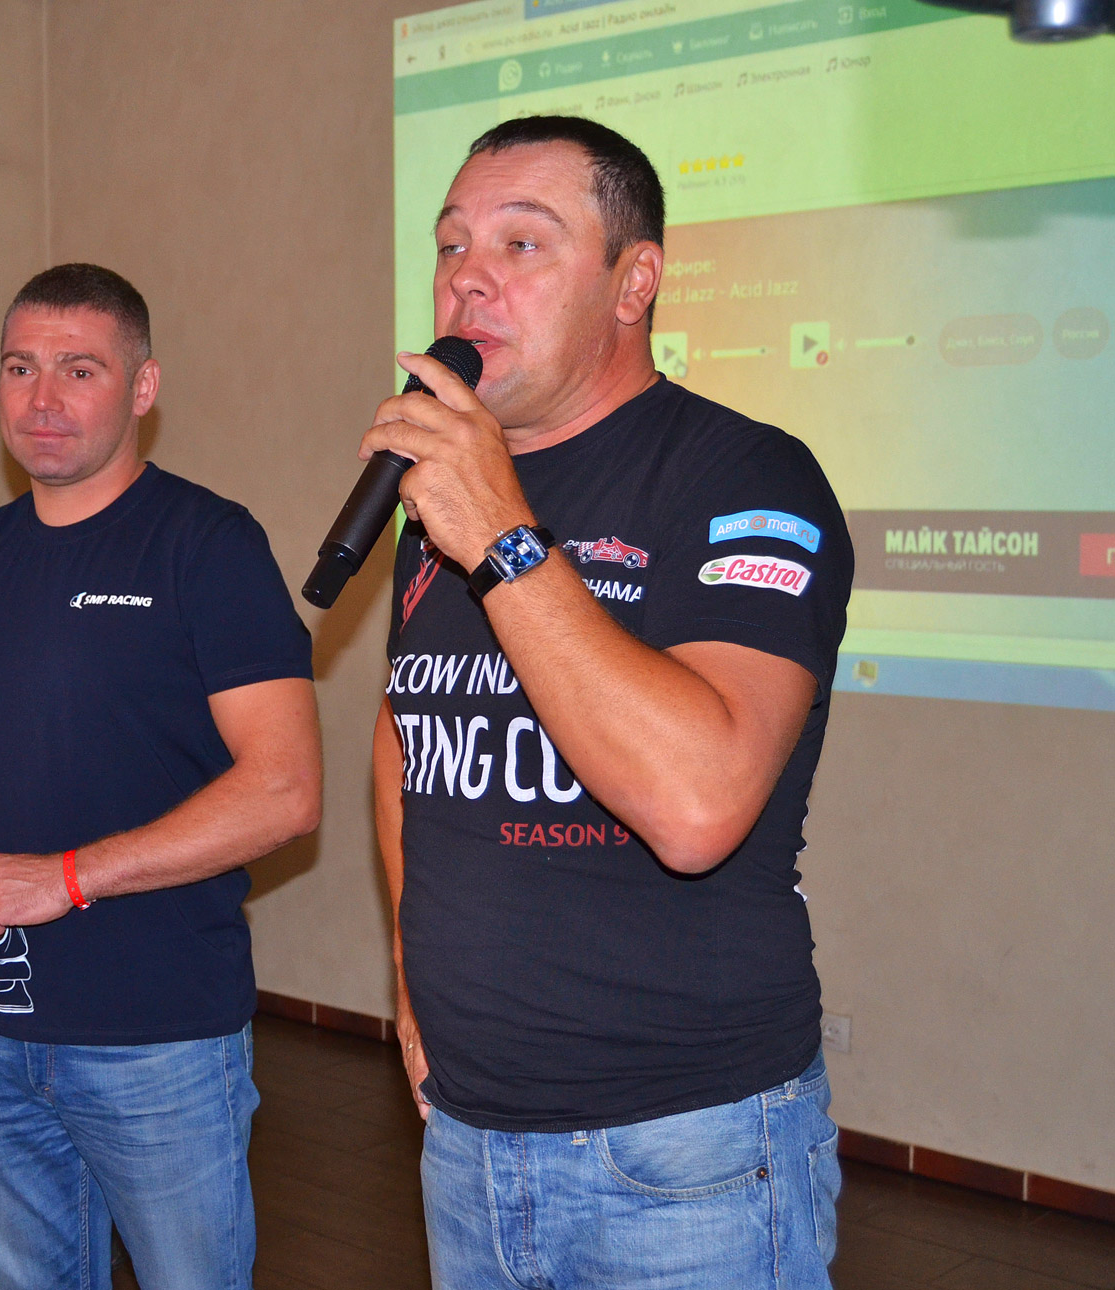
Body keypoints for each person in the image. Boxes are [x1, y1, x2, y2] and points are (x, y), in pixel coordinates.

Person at [364, 115, 853, 1288]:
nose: (468, 276)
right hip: (468, 1141)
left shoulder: (745, 476)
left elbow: (696, 806)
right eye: (451, 244)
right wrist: (410, 974)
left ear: (635, 283)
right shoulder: (445, 500)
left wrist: (503, 538)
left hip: (686, 1158)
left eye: (523, 244)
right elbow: (405, 730)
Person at [0, 263, 322, 1290]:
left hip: (157, 1037)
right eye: (20, 368)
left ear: (142, 387)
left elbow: (285, 790)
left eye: (78, 370)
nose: (41, 399)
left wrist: (68, 877)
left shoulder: (207, 546)